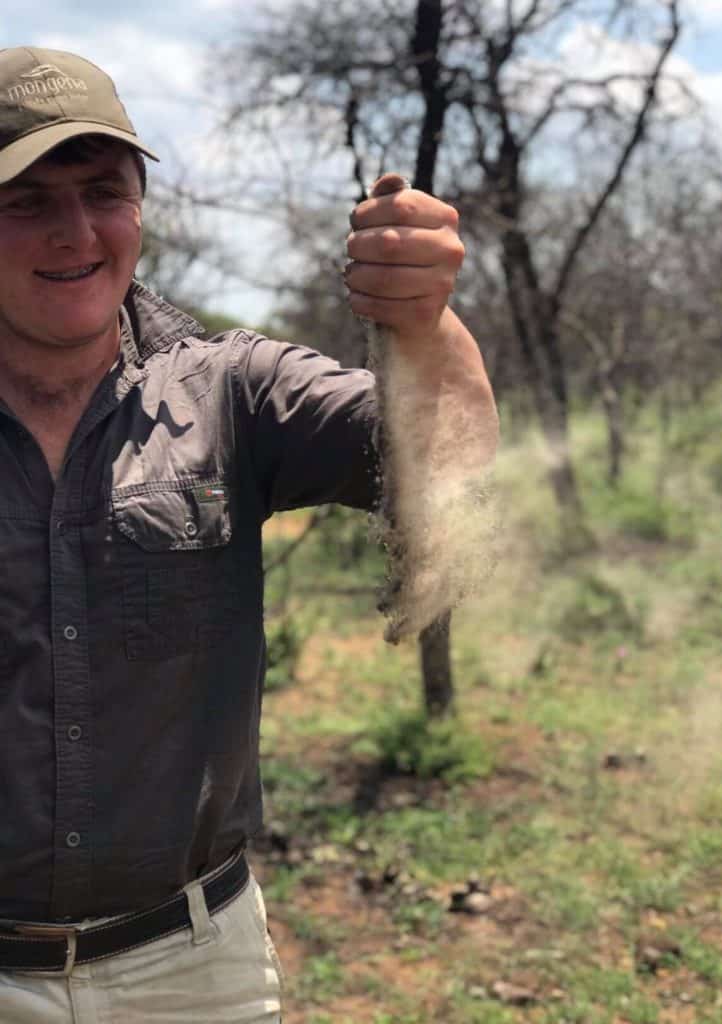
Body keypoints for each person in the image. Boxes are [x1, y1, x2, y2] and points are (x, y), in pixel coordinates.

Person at [0, 46, 498, 1022]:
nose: (76, 231)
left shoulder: (234, 390)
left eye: (104, 192)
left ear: (140, 207)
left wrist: (425, 324)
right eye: (26, 201)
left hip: (192, 969)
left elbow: (448, 465)